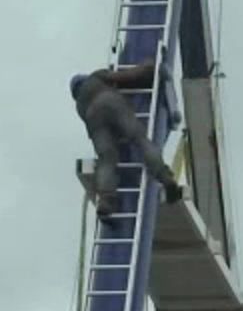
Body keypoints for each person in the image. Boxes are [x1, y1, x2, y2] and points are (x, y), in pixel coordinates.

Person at [69, 60, 182, 219]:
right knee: (139, 139)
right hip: (112, 103)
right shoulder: (96, 77)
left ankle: (106, 201)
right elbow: (126, 77)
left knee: (106, 158)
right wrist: (150, 69)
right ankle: (165, 178)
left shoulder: (79, 105)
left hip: (93, 119)